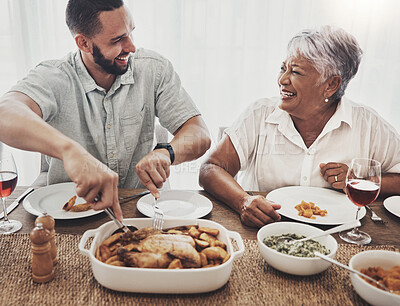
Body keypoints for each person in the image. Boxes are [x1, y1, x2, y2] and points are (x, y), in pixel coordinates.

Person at [0, 0, 211, 220]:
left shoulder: (153, 69)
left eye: (130, 33)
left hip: (143, 211)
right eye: (118, 39)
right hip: (67, 217)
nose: (131, 47)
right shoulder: (54, 77)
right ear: (83, 43)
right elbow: (5, 113)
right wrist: (70, 151)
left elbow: (199, 133)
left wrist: (167, 152)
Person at [199, 25, 400, 228]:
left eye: (295, 72)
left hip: (341, 235)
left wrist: (359, 180)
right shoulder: (260, 113)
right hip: (264, 230)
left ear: (331, 84)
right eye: (282, 68)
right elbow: (211, 168)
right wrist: (243, 201)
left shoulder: (368, 124)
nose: (282, 80)